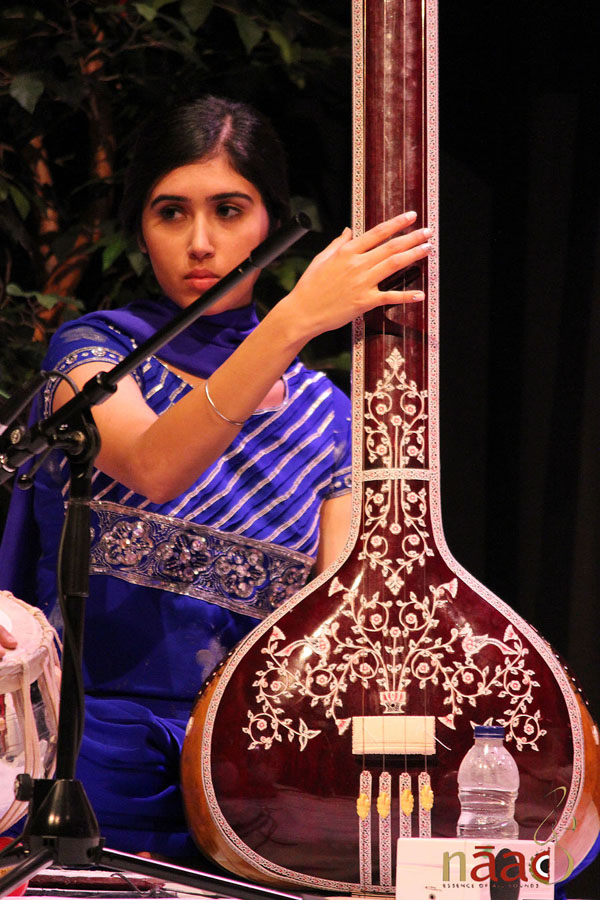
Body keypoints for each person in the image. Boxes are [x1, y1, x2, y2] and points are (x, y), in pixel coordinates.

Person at [0, 95, 431, 860]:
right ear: (141, 228)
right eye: (171, 213)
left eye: (229, 210)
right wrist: (292, 320)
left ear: (273, 223)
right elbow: (155, 465)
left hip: (250, 773)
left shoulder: (330, 419)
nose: (200, 243)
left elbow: (339, 627)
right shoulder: (95, 357)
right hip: (85, 756)